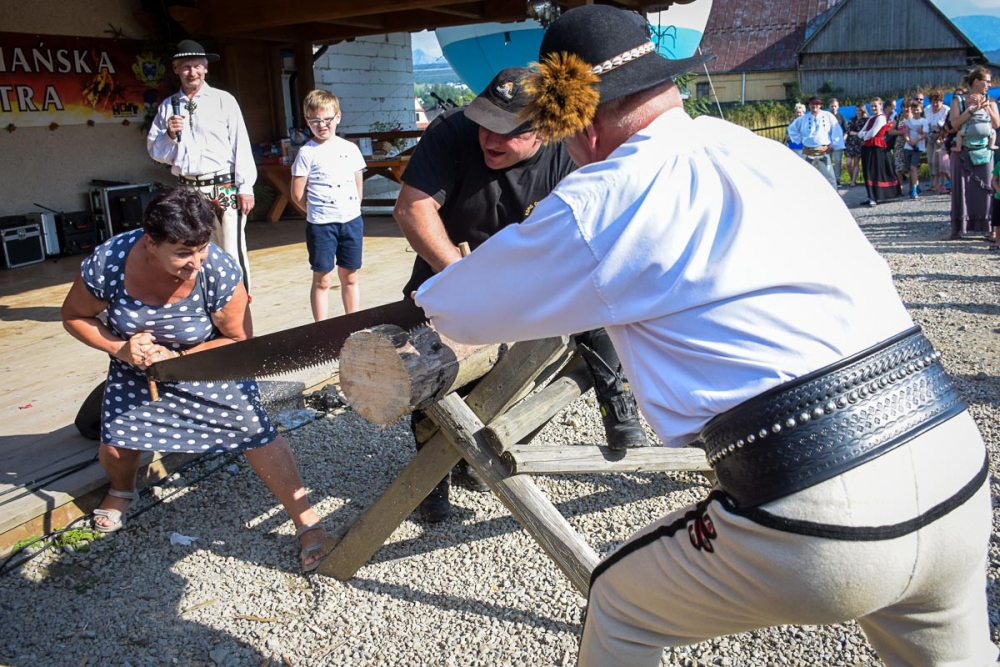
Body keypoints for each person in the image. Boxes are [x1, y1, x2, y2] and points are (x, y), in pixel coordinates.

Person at [411, 6, 996, 665]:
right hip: (954, 464)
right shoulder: (759, 152)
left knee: (618, 607)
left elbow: (461, 310)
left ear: (580, 122)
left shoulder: (608, 194)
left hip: (820, 501)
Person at [393, 67, 649, 522]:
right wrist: (457, 275)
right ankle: (427, 477)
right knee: (433, 358)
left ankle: (617, 403)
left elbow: (595, 230)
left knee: (596, 300)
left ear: (544, 132)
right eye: (484, 124)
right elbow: (413, 207)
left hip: (534, 264)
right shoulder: (451, 133)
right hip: (453, 261)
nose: (488, 139)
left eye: (506, 132)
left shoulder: (569, 149)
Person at [61, 187, 327, 572]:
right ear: (150, 243)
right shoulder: (110, 261)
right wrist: (120, 349)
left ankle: (306, 520)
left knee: (256, 429)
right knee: (116, 444)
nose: (196, 262)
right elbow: (74, 316)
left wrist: (180, 358)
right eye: (183, 253)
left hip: (208, 363)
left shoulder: (217, 268)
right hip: (136, 368)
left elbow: (237, 340)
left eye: (201, 249)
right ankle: (122, 491)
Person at [148, 40, 257, 293]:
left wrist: (246, 186)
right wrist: (169, 134)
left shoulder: (223, 100)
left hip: (224, 186)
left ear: (206, 68)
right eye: (185, 67)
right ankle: (209, 303)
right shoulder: (168, 106)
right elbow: (157, 151)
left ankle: (241, 303)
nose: (192, 72)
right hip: (189, 190)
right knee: (196, 251)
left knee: (232, 250)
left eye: (197, 66)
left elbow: (241, 144)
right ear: (176, 69)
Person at [290, 89, 366, 321]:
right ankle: (321, 328)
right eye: (315, 121)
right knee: (322, 278)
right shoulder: (306, 153)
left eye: (327, 120)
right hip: (321, 226)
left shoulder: (350, 149)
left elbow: (358, 185)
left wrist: (351, 210)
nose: (322, 125)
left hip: (351, 222)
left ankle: (352, 323)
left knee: (350, 276)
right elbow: (297, 194)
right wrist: (317, 212)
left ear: (338, 117)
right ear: (307, 121)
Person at [945, 67, 999, 241]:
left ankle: (991, 229)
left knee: (988, 190)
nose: (989, 84)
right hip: (964, 151)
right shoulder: (959, 100)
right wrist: (973, 109)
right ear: (976, 81)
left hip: (984, 151)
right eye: (987, 81)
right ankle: (958, 228)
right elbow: (955, 123)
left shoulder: (990, 100)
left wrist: (985, 107)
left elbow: (996, 124)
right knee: (961, 190)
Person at [786, 96, 843, 189]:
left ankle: (833, 197)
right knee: (806, 175)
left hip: (823, 150)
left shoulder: (828, 116)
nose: (815, 106)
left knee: (829, 176)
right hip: (808, 151)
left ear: (820, 105)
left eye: (817, 104)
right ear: (809, 105)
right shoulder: (803, 119)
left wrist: (833, 144)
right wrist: (800, 139)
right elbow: (792, 129)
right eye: (812, 104)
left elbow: (836, 130)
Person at [859, 97, 901, 207]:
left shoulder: (881, 118)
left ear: (880, 106)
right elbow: (860, 132)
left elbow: (872, 133)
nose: (873, 108)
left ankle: (875, 196)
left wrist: (864, 135)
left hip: (877, 148)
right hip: (868, 147)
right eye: (872, 106)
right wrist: (864, 135)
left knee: (875, 172)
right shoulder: (871, 118)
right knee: (868, 172)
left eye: (875, 106)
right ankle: (870, 196)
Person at [924, 90, 949, 193]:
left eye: (937, 101)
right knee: (929, 160)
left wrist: (939, 135)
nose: (934, 104)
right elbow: (926, 124)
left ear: (941, 101)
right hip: (930, 136)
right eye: (933, 101)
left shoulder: (946, 110)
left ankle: (938, 183)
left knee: (936, 160)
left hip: (941, 137)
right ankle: (932, 183)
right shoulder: (927, 109)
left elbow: (947, 125)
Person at [844, 102, 868, 187]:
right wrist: (857, 133)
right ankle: (852, 178)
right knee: (848, 163)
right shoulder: (852, 119)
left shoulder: (866, 120)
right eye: (856, 110)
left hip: (859, 143)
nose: (857, 112)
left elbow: (866, 131)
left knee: (856, 163)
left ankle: (853, 181)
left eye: (859, 110)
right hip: (851, 143)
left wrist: (859, 134)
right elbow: (848, 130)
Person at [828, 98, 847, 185]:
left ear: (838, 106)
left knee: (838, 161)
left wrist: (843, 138)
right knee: (827, 161)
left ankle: (837, 179)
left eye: (835, 106)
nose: (833, 107)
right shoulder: (826, 116)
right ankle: (828, 178)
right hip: (827, 142)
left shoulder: (841, 117)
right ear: (829, 106)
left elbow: (846, 130)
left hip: (837, 143)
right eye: (832, 106)